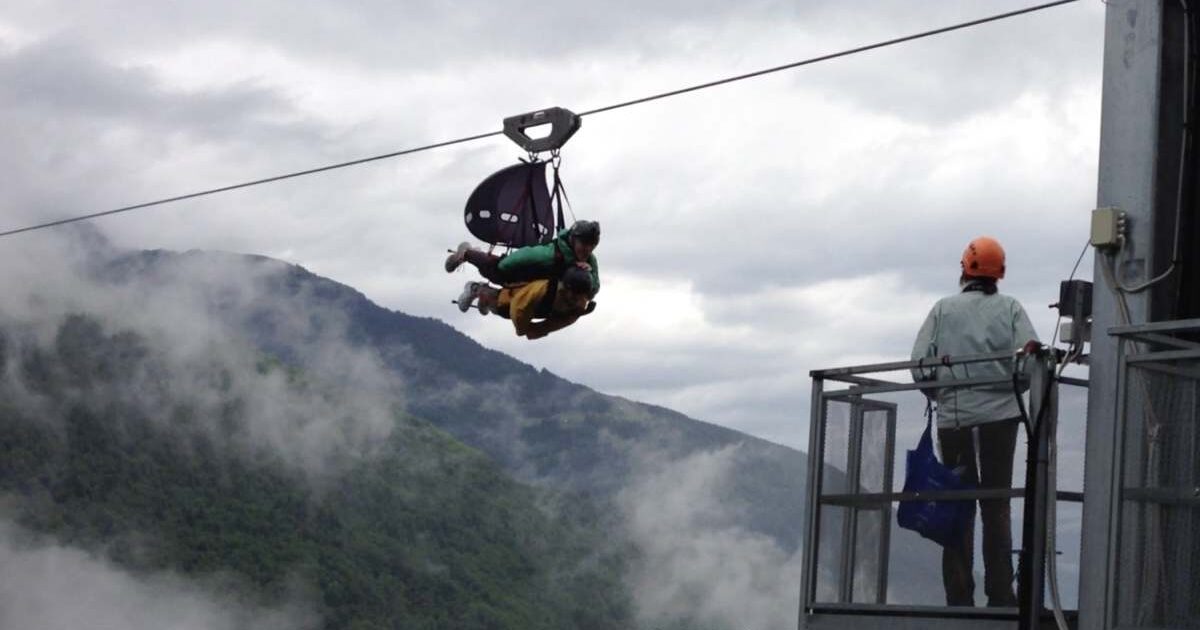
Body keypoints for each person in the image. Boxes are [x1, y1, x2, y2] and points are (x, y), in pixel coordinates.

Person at [910, 236, 1039, 608]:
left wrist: (939, 394)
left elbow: (919, 362)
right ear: (999, 274)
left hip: (956, 420)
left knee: (958, 503)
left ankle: (959, 594)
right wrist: (1014, 388)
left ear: (965, 269)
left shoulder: (942, 310)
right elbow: (1030, 359)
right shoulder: (1011, 307)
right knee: (996, 504)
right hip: (1001, 419)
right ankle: (1001, 592)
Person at [444, 220, 600, 295]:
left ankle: (479, 291)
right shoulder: (550, 254)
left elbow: (595, 287)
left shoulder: (590, 260)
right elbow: (525, 254)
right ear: (573, 240)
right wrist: (504, 264)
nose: (587, 249)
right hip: (516, 273)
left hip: (537, 287)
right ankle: (466, 253)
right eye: (583, 244)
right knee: (494, 270)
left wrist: (590, 275)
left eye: (592, 245)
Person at [456, 266, 593, 339]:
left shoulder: (578, 307)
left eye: (580, 295)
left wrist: (537, 331)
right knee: (501, 305)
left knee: (501, 305)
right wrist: (523, 329)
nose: (576, 298)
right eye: (574, 293)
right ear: (566, 288)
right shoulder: (542, 290)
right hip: (517, 297)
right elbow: (517, 307)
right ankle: (476, 289)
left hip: (536, 309)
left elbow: (554, 324)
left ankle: (484, 299)